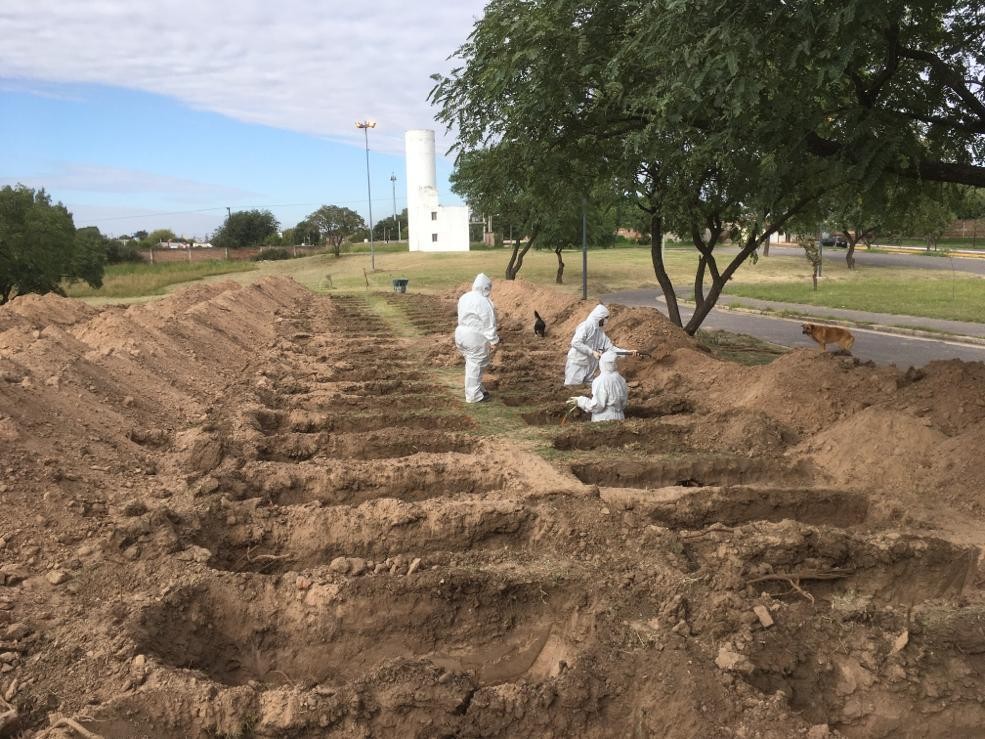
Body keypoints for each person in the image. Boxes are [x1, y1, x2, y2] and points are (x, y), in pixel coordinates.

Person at [564, 304, 636, 385]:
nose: (606, 321)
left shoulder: (600, 333)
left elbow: (610, 348)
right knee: (572, 389)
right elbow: (575, 342)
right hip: (577, 364)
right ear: (599, 317)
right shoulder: (586, 326)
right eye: (605, 318)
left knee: (587, 390)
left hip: (590, 366)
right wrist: (592, 352)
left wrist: (628, 352)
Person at [454, 273, 499, 403]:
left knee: (471, 363)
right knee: (475, 365)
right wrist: (494, 341)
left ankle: (478, 388)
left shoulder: (464, 297)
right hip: (474, 337)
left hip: (460, 334)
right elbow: (489, 323)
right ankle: (474, 396)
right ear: (486, 288)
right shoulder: (484, 302)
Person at [567, 350, 628, 421]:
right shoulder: (621, 379)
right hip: (620, 417)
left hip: (604, 418)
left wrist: (581, 401)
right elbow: (624, 403)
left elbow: (597, 406)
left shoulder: (600, 381)